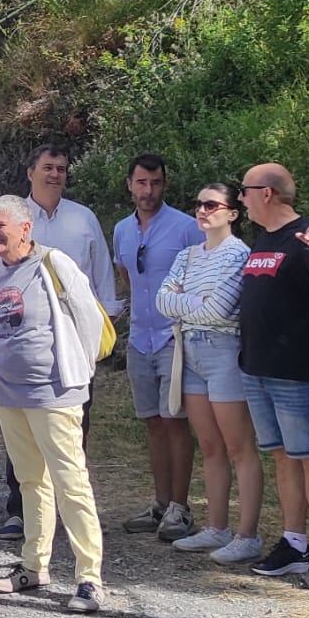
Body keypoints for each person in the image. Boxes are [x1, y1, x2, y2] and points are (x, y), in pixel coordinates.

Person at [0, 196, 108, 613]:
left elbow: (89, 319)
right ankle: (34, 566)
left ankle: (89, 578)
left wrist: (79, 372)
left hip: (53, 393)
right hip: (8, 395)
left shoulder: (54, 263)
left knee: (70, 481)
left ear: (25, 228)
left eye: (1, 226)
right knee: (30, 480)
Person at [0, 144, 121, 542]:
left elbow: (100, 279)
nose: (55, 174)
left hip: (70, 348)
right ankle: (20, 511)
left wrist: (96, 341)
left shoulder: (83, 219)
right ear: (30, 172)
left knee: (71, 435)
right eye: (47, 167)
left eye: (61, 168)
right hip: (21, 349)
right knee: (21, 436)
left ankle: (68, 514)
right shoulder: (9, 219)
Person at [236, 164, 309, 588]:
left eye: (244, 191)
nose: (240, 199)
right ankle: (294, 543)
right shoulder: (263, 239)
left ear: (266, 193)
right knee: (283, 456)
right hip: (258, 368)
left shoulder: (306, 237)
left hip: (298, 372)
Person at [160, 183, 264, 564]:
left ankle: (247, 535)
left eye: (211, 205)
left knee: (239, 447)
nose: (202, 211)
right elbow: (161, 300)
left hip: (224, 352)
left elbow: (219, 309)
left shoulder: (239, 255)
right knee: (210, 445)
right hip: (190, 352)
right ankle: (217, 527)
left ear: (232, 213)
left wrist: (184, 302)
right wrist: (194, 302)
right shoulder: (187, 255)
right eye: (198, 204)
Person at [112, 154, 204, 542]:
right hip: (139, 337)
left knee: (174, 420)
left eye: (156, 183)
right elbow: (125, 275)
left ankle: (180, 508)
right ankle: (161, 503)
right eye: (141, 183)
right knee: (152, 422)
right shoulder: (122, 230)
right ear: (129, 185)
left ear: (164, 184)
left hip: (173, 337)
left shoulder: (186, 228)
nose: (148, 191)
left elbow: (203, 277)